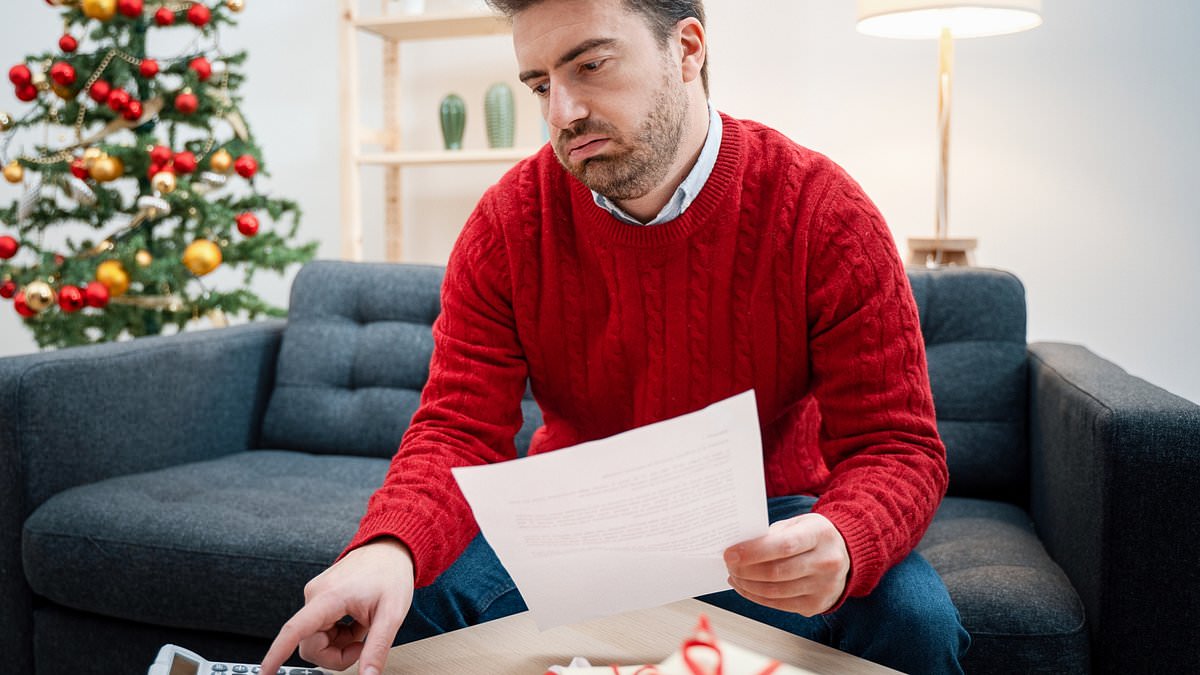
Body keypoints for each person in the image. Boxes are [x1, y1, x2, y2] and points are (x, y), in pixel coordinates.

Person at [262, 0, 970, 673]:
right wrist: (389, 546)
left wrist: (846, 537)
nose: (562, 112)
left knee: (914, 620)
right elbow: (457, 427)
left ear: (687, 49)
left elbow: (896, 445)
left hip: (772, 515)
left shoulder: (823, 211)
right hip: (574, 522)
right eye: (540, 84)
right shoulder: (508, 223)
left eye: (590, 66)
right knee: (401, 607)